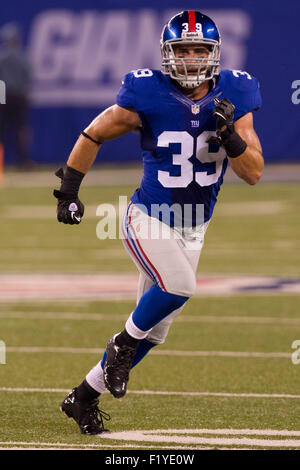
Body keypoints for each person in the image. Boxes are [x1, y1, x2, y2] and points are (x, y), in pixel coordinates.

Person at [54, 10, 263, 435]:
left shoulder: (236, 95)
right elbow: (94, 132)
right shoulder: (147, 92)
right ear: (167, 54)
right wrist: (69, 190)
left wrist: (232, 138)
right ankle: (120, 345)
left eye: (198, 50)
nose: (189, 58)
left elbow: (254, 171)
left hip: (195, 224)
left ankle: (83, 396)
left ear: (214, 54)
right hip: (148, 216)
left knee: (154, 330)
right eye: (182, 50)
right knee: (178, 288)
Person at [0, 22, 33, 169]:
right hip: (19, 97)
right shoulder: (23, 57)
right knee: (21, 129)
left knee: (4, 129)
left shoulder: (2, 57)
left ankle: (2, 161)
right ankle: (23, 161)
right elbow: (27, 80)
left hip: (4, 97)